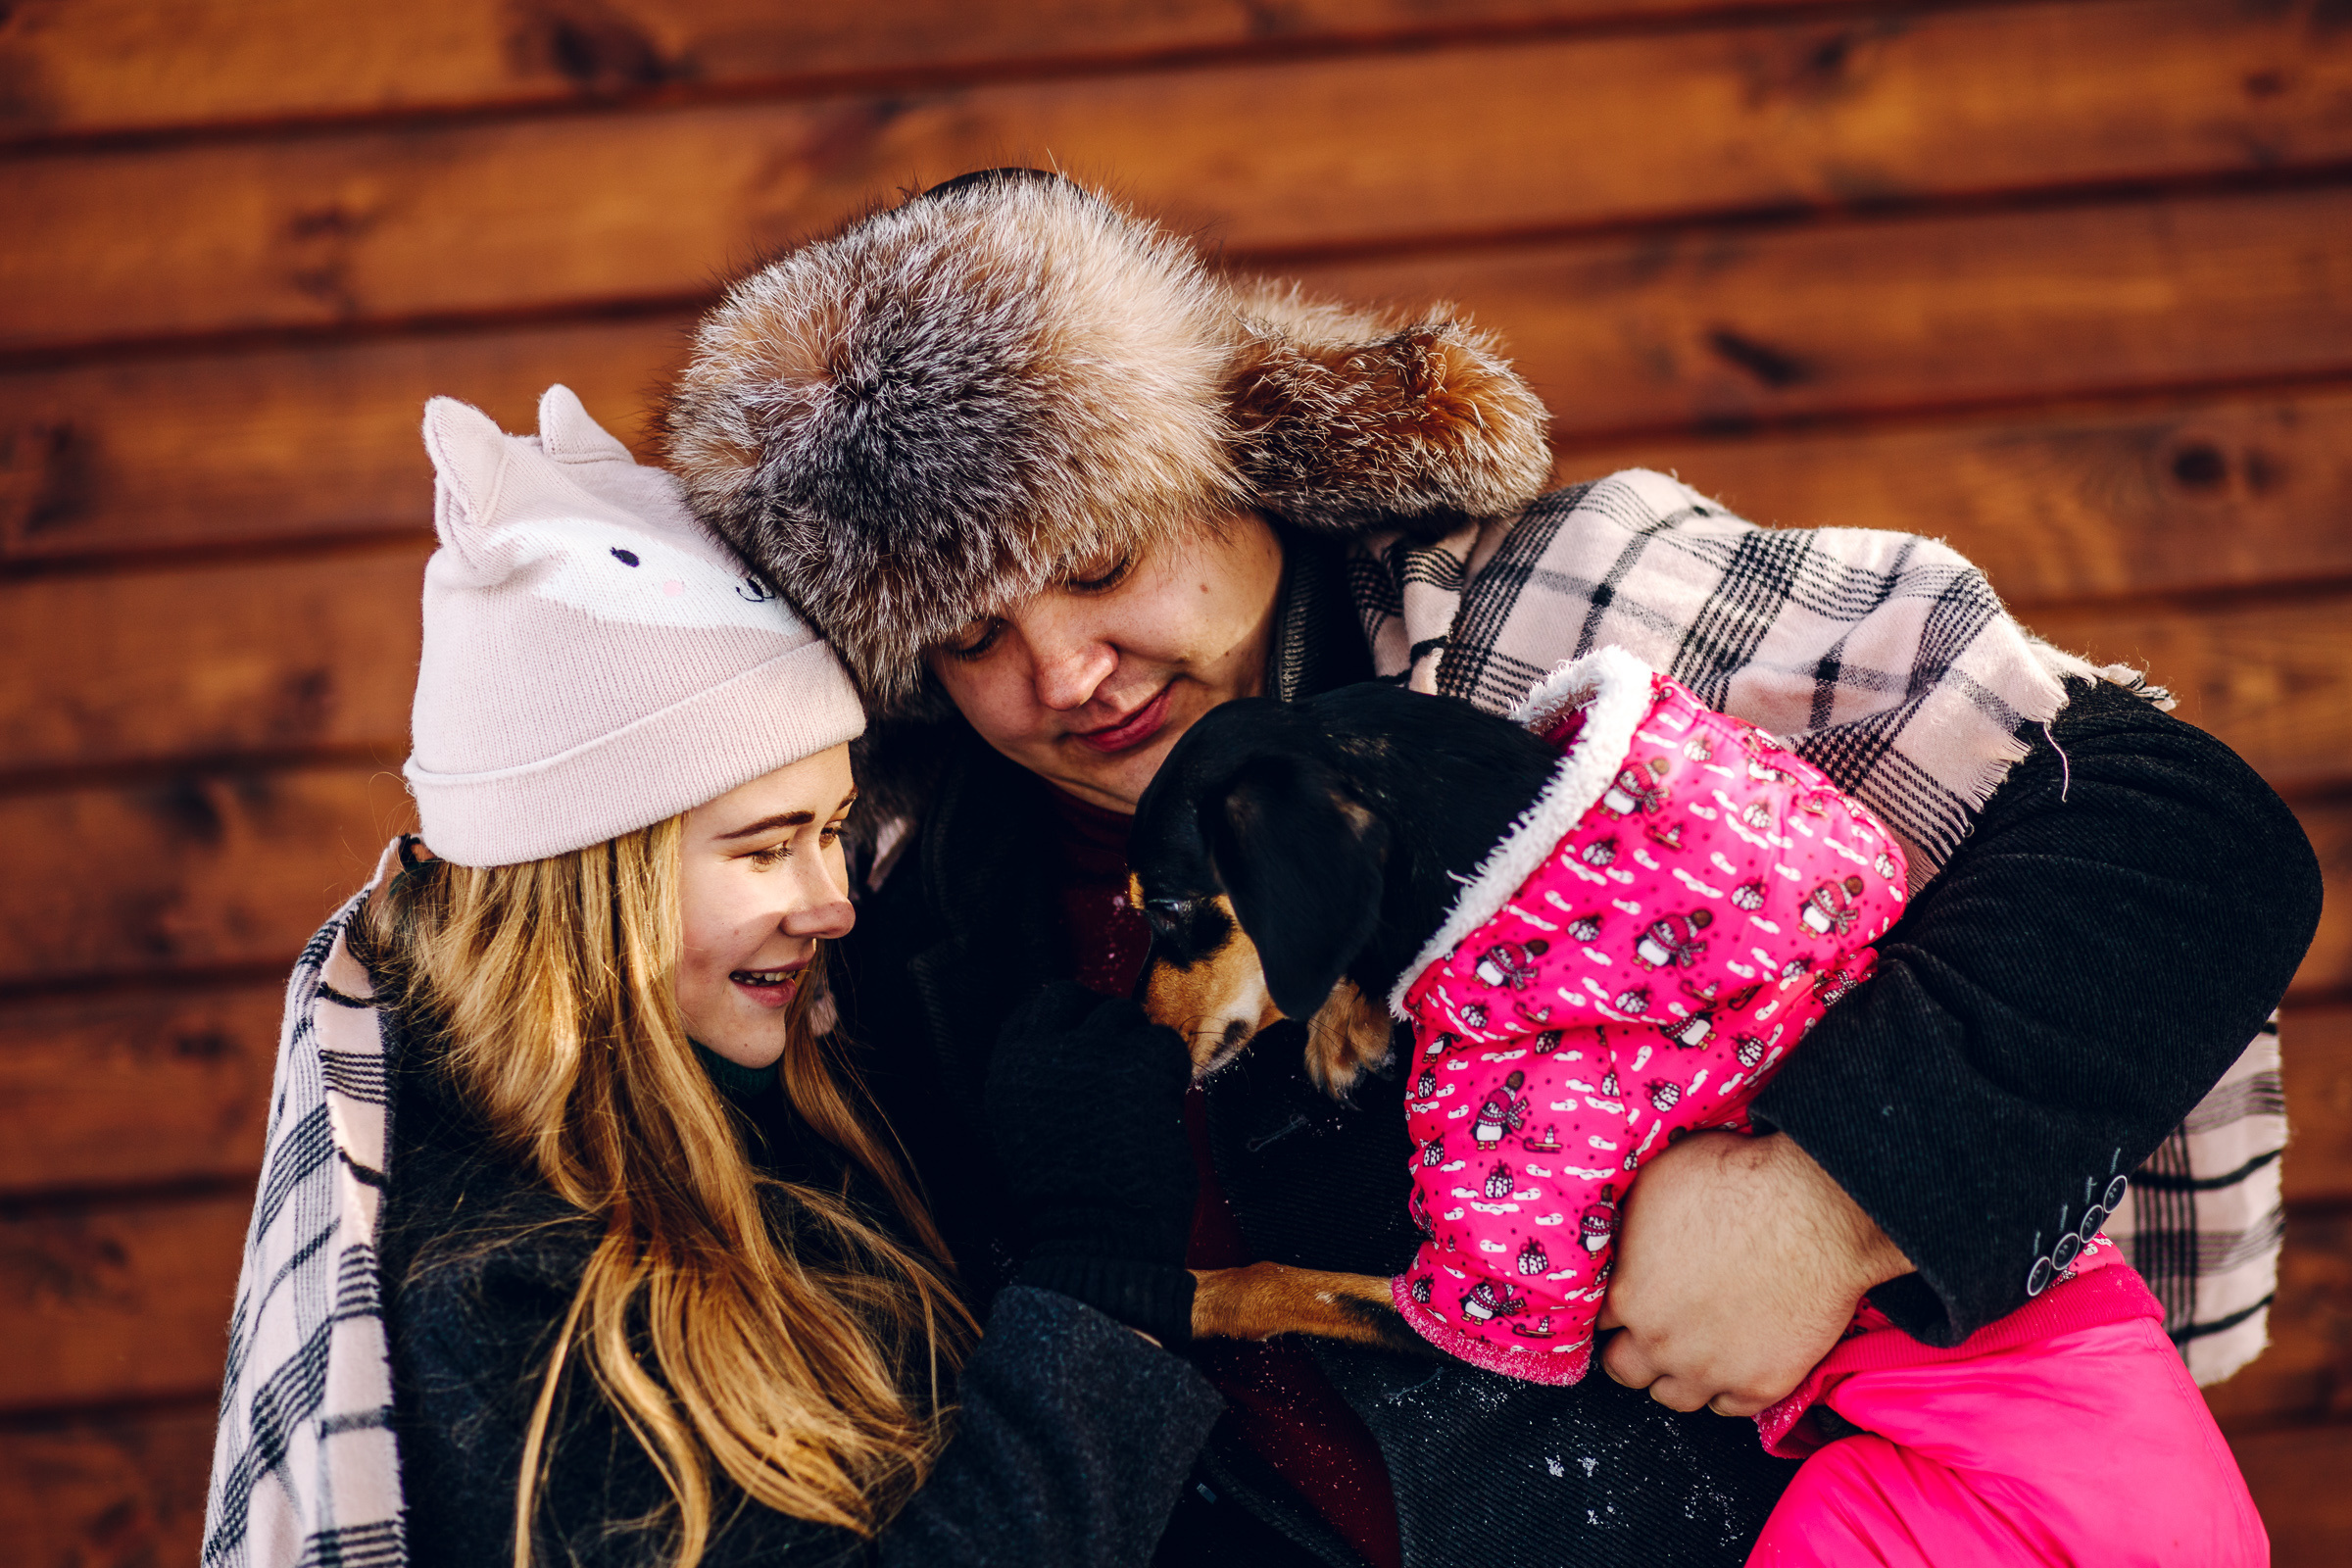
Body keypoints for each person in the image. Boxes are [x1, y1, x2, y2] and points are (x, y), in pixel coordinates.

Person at [660, 171, 2321, 1565]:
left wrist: (1832, 1194)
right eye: (969, 636)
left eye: (1101, 563)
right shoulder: (893, 898)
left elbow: (2181, 838)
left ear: (1228, 462)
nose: (1068, 672)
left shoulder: (1553, 628)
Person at [203, 386, 1226, 1568]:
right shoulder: (504, 1292)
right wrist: (1096, 1279)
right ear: (589, 889)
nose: (832, 900)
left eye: (833, 828)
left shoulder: (773, 1111)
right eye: (760, 846)